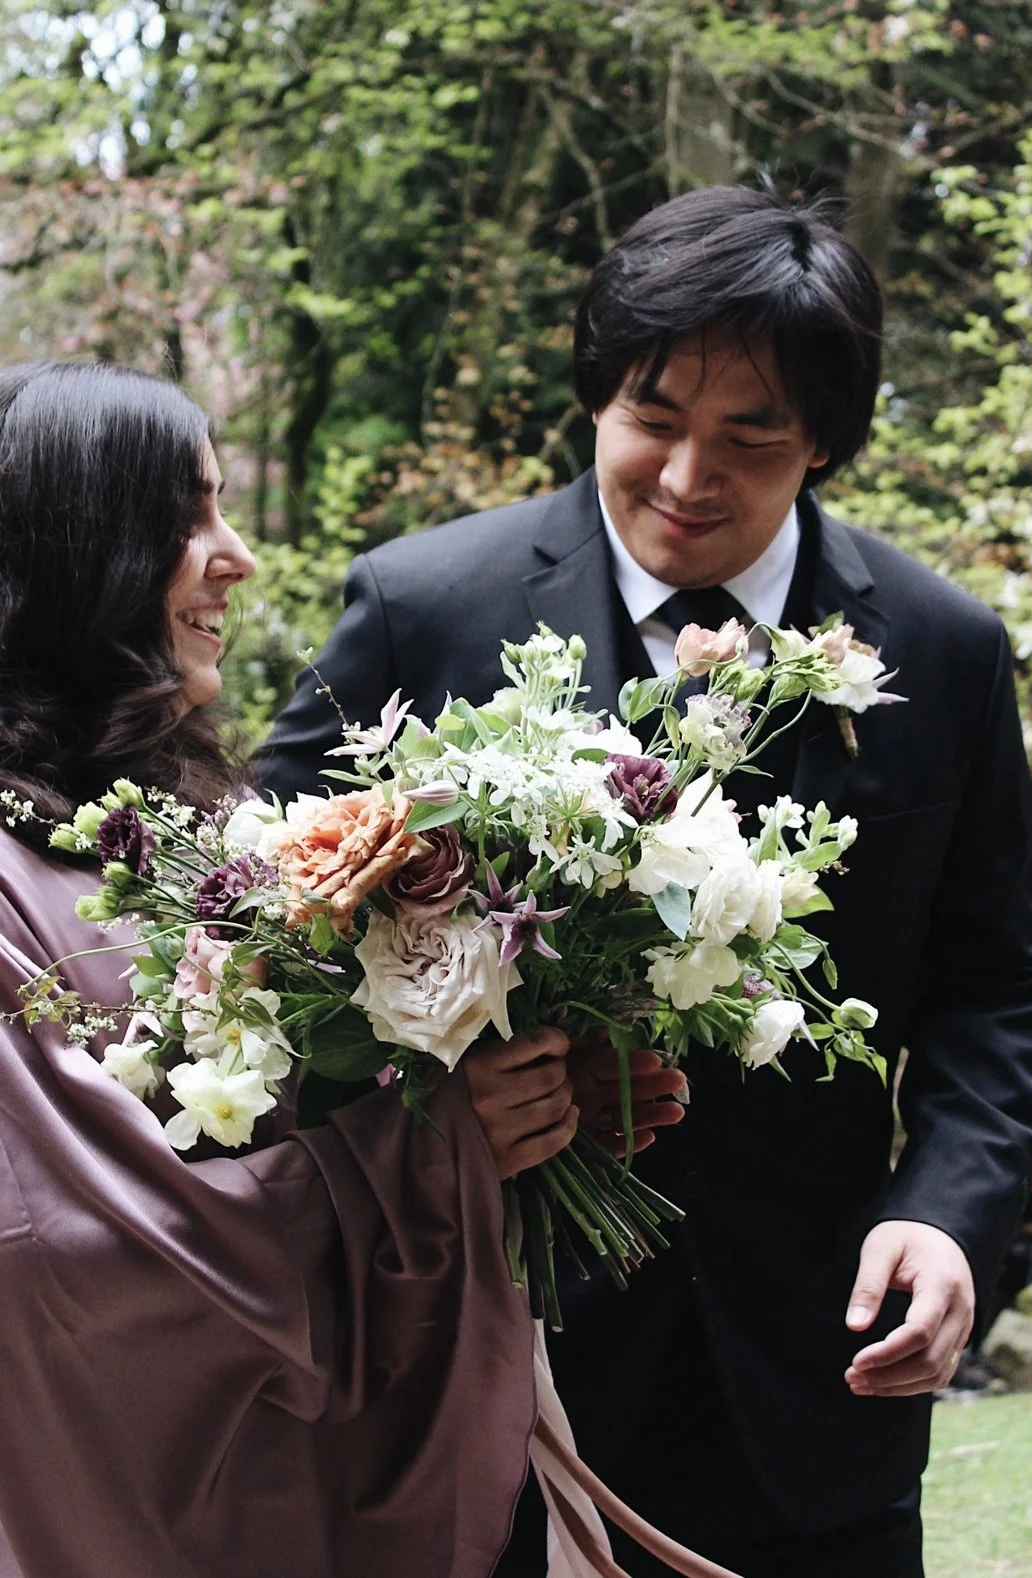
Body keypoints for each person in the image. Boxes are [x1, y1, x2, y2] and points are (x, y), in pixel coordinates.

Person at [258, 188, 1032, 1578]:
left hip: (817, 1393)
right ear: (596, 393)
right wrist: (434, 1108)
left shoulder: (942, 649)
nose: (690, 476)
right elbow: (256, 936)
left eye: (751, 437)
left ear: (824, 442)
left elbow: (998, 985)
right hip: (485, 1396)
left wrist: (945, 1217)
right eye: (653, 416)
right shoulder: (422, 608)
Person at [0, 360, 591, 1578]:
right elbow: (69, 1257)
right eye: (188, 521)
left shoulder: (211, 831)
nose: (239, 557)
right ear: (76, 550)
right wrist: (434, 1152)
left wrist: (527, 1088)